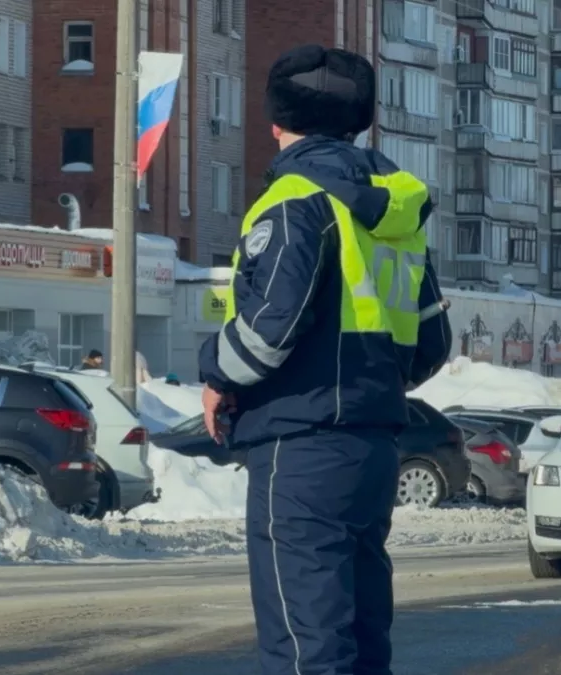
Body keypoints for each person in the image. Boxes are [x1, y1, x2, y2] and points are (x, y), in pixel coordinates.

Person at [196, 44, 451, 675]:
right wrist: (370, 382)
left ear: (277, 122)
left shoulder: (294, 199)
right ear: (360, 120)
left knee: (304, 637)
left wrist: (217, 376)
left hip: (301, 443)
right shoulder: (396, 213)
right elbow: (433, 342)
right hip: (374, 444)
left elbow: (270, 325)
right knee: (362, 635)